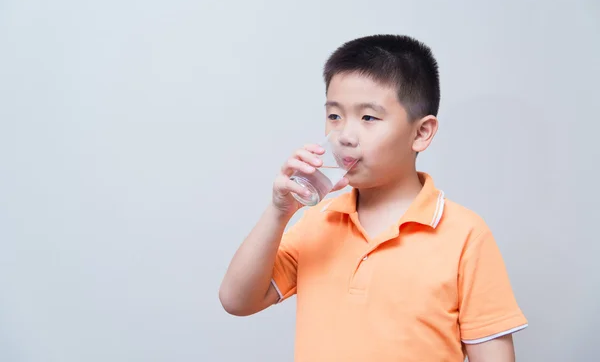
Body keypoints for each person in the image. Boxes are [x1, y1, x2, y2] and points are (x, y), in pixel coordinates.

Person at [219, 34, 528, 361]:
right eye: (335, 116)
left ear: (421, 133)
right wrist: (279, 211)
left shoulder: (464, 235)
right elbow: (237, 300)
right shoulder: (319, 221)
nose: (345, 136)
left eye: (368, 118)